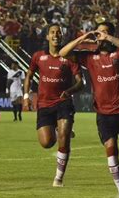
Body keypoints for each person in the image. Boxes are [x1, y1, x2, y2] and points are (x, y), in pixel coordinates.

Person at [59, 21, 119, 198]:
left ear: (110, 35)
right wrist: (83, 38)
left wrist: (109, 37)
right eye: (99, 33)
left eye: (104, 32)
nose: (100, 36)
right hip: (104, 115)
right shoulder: (89, 57)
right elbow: (62, 53)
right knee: (111, 149)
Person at [23, 23, 83, 188]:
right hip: (44, 105)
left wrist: (70, 91)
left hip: (63, 103)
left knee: (63, 141)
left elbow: (81, 82)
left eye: (58, 33)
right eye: (52, 32)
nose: (56, 35)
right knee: (46, 143)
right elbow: (28, 75)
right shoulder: (38, 57)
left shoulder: (69, 57)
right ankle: (59, 130)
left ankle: (58, 178)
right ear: (47, 36)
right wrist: (26, 96)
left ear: (62, 37)